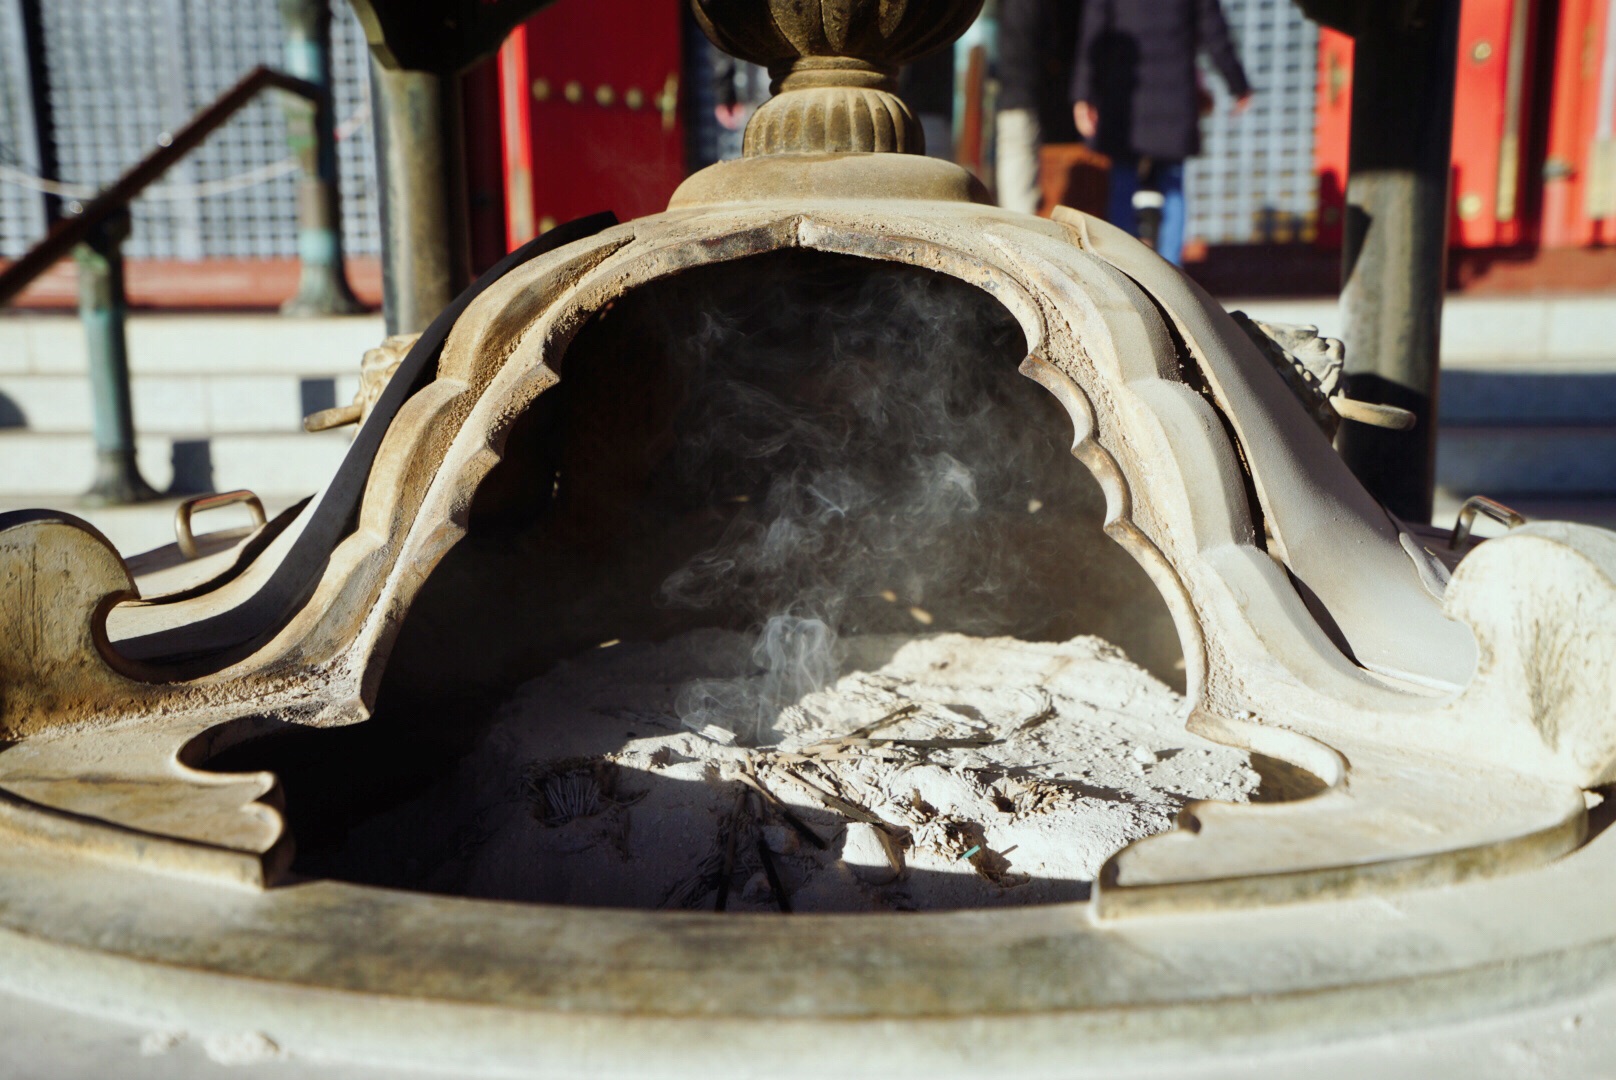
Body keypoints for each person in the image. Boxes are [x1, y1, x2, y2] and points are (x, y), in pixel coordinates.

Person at [1069, 0, 1253, 264]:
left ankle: (1121, 267)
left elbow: (1094, 33)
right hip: (1173, 93)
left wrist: (1084, 94)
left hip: (1124, 95)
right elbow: (1213, 29)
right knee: (1173, 184)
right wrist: (1237, 83)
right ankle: (1172, 271)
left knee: (1123, 181)